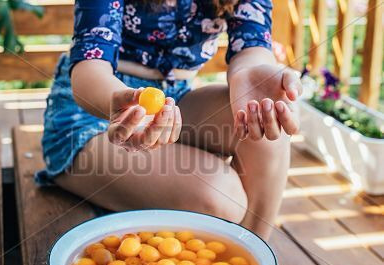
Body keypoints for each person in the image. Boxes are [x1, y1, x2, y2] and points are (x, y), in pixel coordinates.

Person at [36, 0, 302, 240]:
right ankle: (224, 262)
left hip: (175, 100)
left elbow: (252, 45)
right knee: (221, 197)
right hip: (94, 112)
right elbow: (90, 69)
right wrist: (119, 104)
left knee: (270, 119)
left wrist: (251, 71)